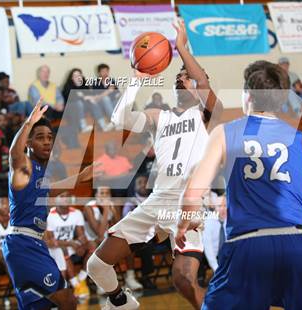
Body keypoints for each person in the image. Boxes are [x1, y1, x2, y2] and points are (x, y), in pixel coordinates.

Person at [176, 60, 302, 309]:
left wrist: (183, 225)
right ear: (282, 100)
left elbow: (192, 194)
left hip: (249, 244)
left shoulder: (225, 133)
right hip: (298, 243)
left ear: (247, 96)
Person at [86, 20, 223, 310]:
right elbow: (119, 119)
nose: (181, 78)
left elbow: (203, 83)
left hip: (190, 204)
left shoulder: (204, 112)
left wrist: (181, 48)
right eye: (178, 76)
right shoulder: (159, 116)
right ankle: (122, 303)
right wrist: (136, 78)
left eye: (186, 77)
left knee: (184, 281)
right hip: (158, 200)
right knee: (96, 265)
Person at [1, 99, 97, 309]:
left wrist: (82, 176)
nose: (46, 142)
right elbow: (14, 155)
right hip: (22, 243)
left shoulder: (42, 175)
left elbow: (54, 189)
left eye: (49, 138)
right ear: (28, 143)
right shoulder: (24, 168)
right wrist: (28, 123)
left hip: (33, 244)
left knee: (40, 306)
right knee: (67, 301)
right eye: (40, 138)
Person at [46, 200, 90, 299]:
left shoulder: (76, 213)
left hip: (72, 243)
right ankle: (77, 285)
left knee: (92, 246)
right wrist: (71, 243)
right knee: (62, 250)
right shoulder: (50, 215)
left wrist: (82, 244)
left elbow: (81, 235)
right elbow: (52, 242)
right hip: (58, 247)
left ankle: (82, 277)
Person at [84, 63, 119, 131]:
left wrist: (107, 93)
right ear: (99, 73)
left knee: (116, 100)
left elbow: (116, 94)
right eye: (103, 71)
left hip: (112, 102)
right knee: (105, 99)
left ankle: (115, 123)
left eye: (107, 71)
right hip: (101, 102)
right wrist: (108, 92)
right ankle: (114, 122)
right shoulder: (95, 83)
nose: (105, 73)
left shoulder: (112, 81)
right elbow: (96, 96)